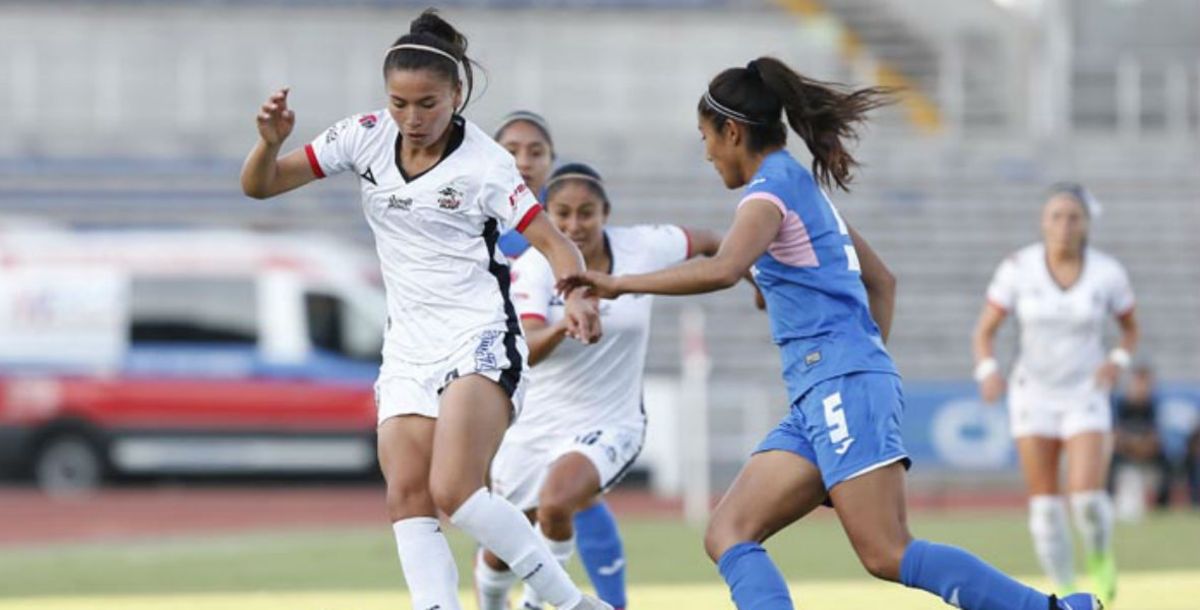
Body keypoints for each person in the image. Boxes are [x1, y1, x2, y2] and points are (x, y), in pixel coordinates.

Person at [561, 56, 1104, 610]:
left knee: (887, 552)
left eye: (707, 138)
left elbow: (722, 266)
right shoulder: (801, 188)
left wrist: (616, 282)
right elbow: (882, 282)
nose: (706, 153)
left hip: (839, 385)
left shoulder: (766, 194)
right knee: (727, 532)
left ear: (732, 131)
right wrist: (860, 367)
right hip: (826, 391)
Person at [239, 10, 610, 610]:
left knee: (456, 491)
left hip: (479, 336)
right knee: (407, 495)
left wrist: (577, 293)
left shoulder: (487, 165)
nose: (412, 119)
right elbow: (260, 186)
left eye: (428, 104)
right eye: (399, 103)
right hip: (408, 346)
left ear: (457, 96)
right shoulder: (361, 136)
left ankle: (570, 604)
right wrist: (268, 142)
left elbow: (551, 240)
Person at [474, 163, 724, 610]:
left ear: (606, 213)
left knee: (556, 503)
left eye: (586, 213)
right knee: (499, 551)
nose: (574, 225)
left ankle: (535, 604)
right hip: (534, 424)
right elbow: (525, 348)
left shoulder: (643, 247)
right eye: (562, 215)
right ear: (546, 217)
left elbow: (713, 243)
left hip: (611, 420)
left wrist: (757, 279)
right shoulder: (531, 267)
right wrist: (561, 327)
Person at [973, 182, 1138, 604]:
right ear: (1043, 222)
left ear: (1086, 224)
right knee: (1045, 507)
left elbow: (1130, 329)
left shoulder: (1107, 273)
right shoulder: (1018, 267)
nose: (1064, 226)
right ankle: (1066, 592)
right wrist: (988, 370)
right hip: (1034, 393)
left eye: (1073, 217)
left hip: (1085, 392)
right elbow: (985, 331)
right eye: (1056, 217)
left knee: (1086, 497)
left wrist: (1116, 362)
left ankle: (1100, 555)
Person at [495, 111, 556, 260]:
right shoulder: (468, 213)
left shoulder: (565, 221)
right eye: (511, 152)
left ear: (552, 160)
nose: (524, 163)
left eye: (536, 153)